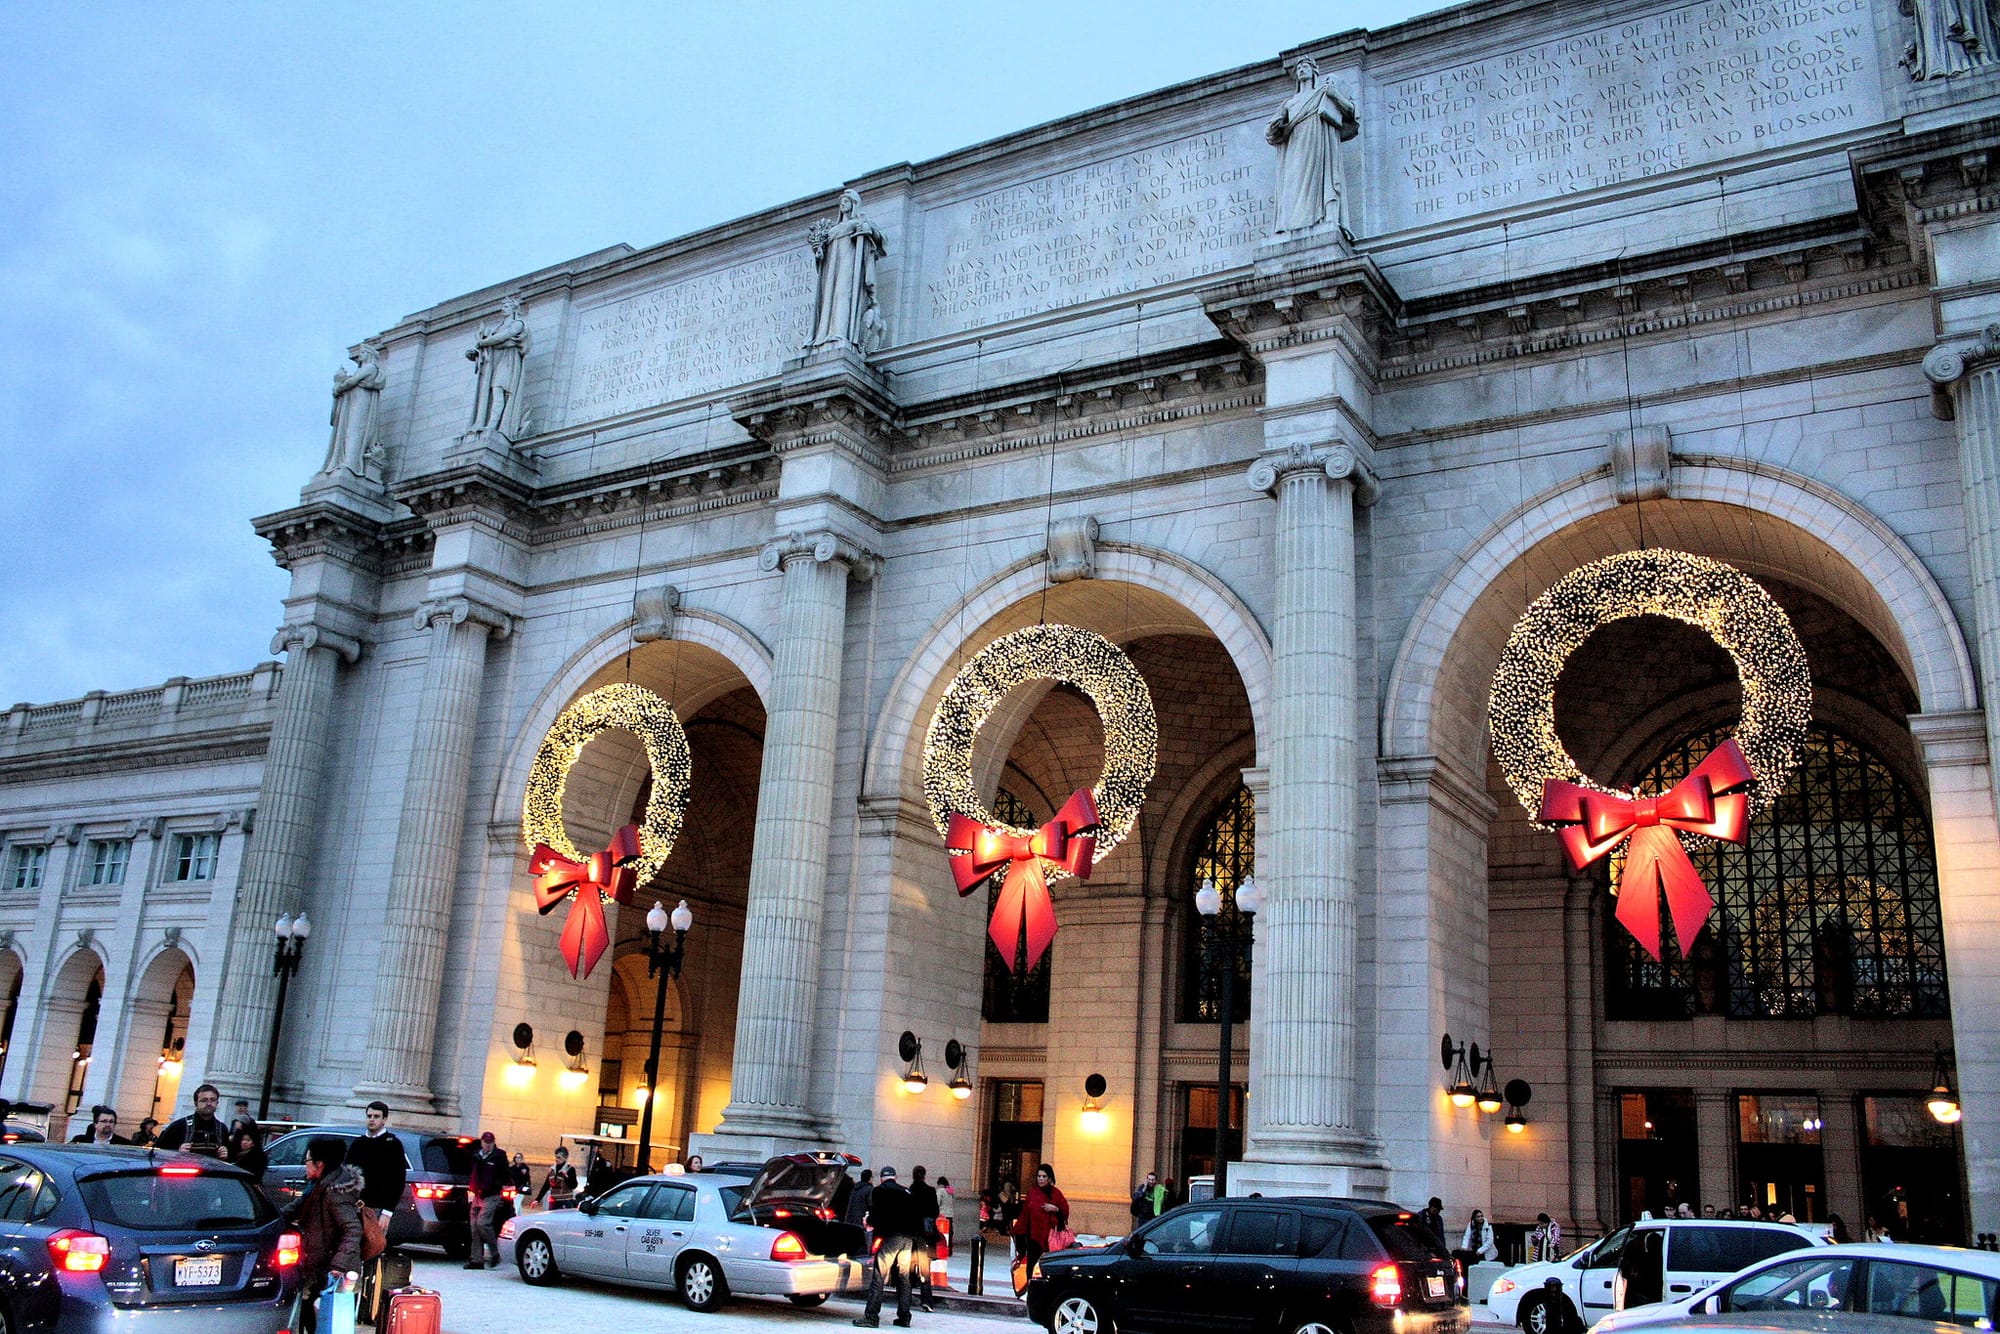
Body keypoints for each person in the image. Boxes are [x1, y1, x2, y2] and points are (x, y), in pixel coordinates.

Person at [1265, 55, 1359, 235]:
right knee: (1293, 184)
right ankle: (1291, 225)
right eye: (1298, 67)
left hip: (1317, 143)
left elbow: (1351, 112)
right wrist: (1275, 128)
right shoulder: (1288, 103)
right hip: (1295, 148)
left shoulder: (1324, 92)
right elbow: (1270, 132)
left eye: (1305, 66)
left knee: (1321, 180)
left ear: (1314, 71)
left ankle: (1322, 218)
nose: (1301, 69)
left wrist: (1335, 94)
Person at [291, 1136, 364, 1334]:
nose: (305, 1166)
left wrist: (338, 1267)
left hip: (332, 1268)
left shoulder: (334, 1192)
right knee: (308, 1308)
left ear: (319, 1164)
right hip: (319, 1263)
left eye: (307, 1160)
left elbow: (353, 1229)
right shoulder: (318, 1187)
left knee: (322, 1316)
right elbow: (295, 1208)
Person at [807, 189, 887, 352]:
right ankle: (825, 335)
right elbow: (823, 253)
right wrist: (820, 251)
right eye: (841, 202)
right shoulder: (834, 228)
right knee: (829, 299)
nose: (842, 204)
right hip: (832, 270)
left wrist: (868, 230)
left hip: (848, 265)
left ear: (854, 204)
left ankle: (840, 333)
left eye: (846, 201)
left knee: (843, 295)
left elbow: (880, 238)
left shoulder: (860, 221)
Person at [855, 1165, 919, 1329]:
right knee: (904, 1278)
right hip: (908, 1239)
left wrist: (867, 1221)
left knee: (879, 1276)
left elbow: (879, 1216)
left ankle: (871, 1317)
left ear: (881, 1178)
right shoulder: (907, 1192)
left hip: (891, 1238)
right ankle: (904, 1317)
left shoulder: (879, 1191)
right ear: (895, 1177)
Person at [346, 1101, 409, 1230]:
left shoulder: (393, 1145)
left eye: (376, 1116)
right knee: (350, 1248)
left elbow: (397, 1181)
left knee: (373, 1247)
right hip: (353, 1207)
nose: (372, 1120)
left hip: (378, 1209)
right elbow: (346, 1174)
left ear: (384, 1119)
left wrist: (387, 1212)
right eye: (369, 1116)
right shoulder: (358, 1144)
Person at [466, 1130, 510, 1269]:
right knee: (474, 1227)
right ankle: (476, 1260)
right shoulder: (476, 1156)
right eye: (486, 1142)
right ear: (482, 1142)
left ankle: (494, 1252)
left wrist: (499, 1185)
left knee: (483, 1223)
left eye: (490, 1143)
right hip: (477, 1193)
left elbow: (506, 1174)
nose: (488, 1145)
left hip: (492, 1194)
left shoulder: (499, 1155)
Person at [1011, 1163, 1070, 1266]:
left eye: (1044, 1176)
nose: (1041, 1179)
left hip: (1051, 1238)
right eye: (1039, 1176)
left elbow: (1065, 1212)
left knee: (1047, 1266)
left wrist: (1055, 1209)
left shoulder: (1056, 1193)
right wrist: (1018, 1232)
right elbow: (1025, 1215)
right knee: (1031, 1266)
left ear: (1049, 1178)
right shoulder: (1032, 1192)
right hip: (1033, 1237)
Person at [156, 1083, 230, 1158]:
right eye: (204, 1100)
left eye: (213, 1100)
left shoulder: (222, 1129)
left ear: (217, 1103)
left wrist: (225, 1155)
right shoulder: (179, 1126)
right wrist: (176, 1152)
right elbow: (157, 1152)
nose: (209, 1103)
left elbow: (232, 1159)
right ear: (195, 1103)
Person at [908, 1164, 940, 1314]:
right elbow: (935, 1212)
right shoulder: (930, 1191)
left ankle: (905, 1298)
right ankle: (927, 1300)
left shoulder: (909, 1191)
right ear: (924, 1175)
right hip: (925, 1234)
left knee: (906, 1269)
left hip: (911, 1233)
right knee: (925, 1270)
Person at [534, 1146, 578, 1211]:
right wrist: (537, 1200)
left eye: (559, 1157)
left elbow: (574, 1185)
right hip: (554, 1200)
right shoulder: (552, 1169)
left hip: (565, 1200)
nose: (556, 1159)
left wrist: (566, 1177)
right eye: (556, 1157)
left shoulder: (570, 1169)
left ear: (565, 1158)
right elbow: (546, 1186)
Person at [1456, 1208, 1498, 1272]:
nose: (1480, 1218)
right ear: (1474, 1218)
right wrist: (1464, 1247)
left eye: (1481, 1216)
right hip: (1475, 1251)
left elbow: (1490, 1241)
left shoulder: (1488, 1226)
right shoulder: (1471, 1225)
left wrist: (1480, 1251)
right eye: (1478, 1216)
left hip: (1486, 1253)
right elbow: (1467, 1236)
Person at [846, 1168, 875, 1239]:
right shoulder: (869, 1189)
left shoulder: (855, 1188)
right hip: (861, 1221)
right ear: (870, 1178)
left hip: (850, 1220)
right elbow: (870, 1205)